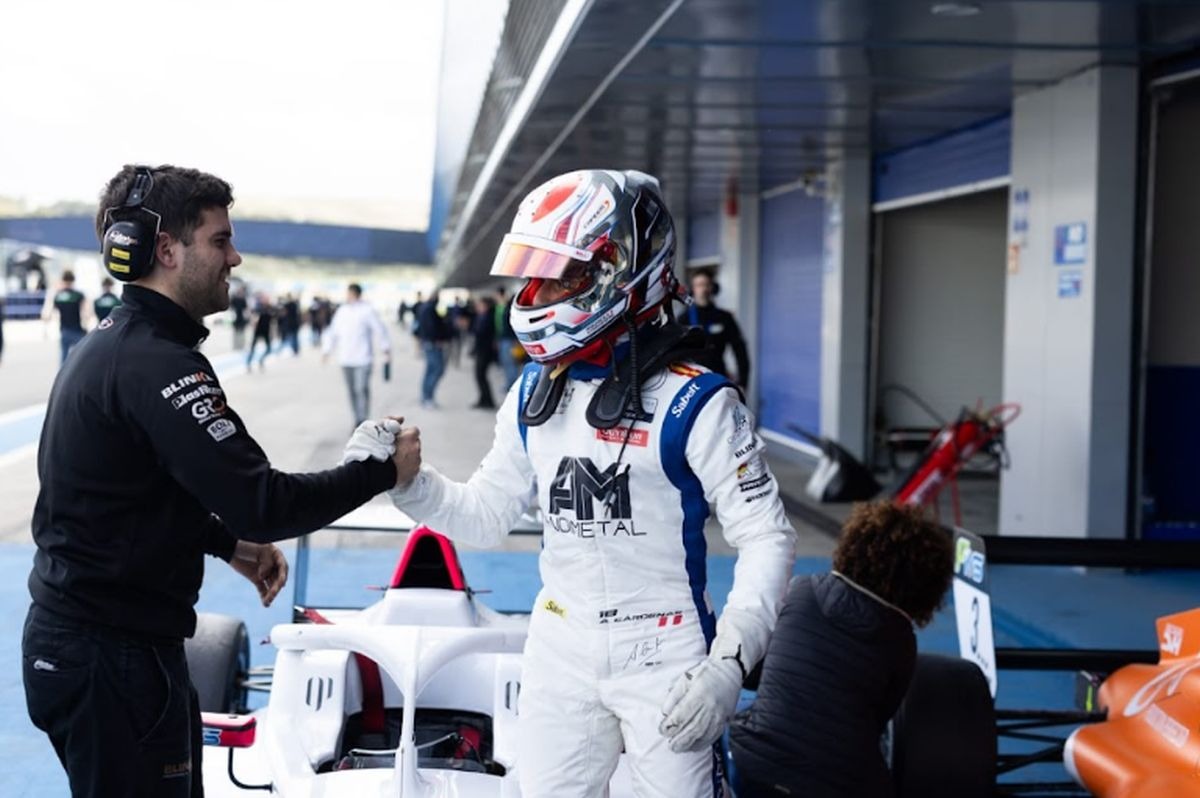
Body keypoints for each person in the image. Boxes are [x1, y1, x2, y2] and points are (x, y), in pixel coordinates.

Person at [358, 169, 796, 797]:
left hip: (665, 649)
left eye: (560, 274)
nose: (537, 292)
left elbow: (767, 537)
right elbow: (485, 516)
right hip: (560, 639)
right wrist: (408, 484)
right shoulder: (531, 392)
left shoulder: (699, 401)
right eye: (533, 273)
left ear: (619, 270)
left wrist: (730, 661)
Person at [22, 163, 407, 798]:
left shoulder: (115, 345)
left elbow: (124, 493)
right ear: (166, 250)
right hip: (112, 656)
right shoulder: (156, 364)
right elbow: (264, 503)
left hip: (99, 645)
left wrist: (227, 544)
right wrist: (382, 471)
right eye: (220, 240)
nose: (235, 257)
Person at [729, 501, 954, 798]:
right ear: (925, 586)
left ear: (854, 547)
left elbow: (755, 673)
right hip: (838, 787)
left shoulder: (802, 590)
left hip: (755, 771)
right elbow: (878, 723)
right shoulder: (901, 642)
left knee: (741, 710)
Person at [323, 282, 391, 427]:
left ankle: (363, 419)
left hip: (363, 359)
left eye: (349, 293)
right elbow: (333, 332)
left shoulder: (367, 310)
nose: (347, 296)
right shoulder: (342, 311)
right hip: (345, 358)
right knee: (352, 391)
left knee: (361, 389)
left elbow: (380, 330)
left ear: (356, 294)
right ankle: (356, 418)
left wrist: (385, 349)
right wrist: (327, 350)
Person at [676, 268, 750, 389]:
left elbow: (740, 350)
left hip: (718, 376)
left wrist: (743, 382)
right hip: (692, 380)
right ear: (692, 289)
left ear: (713, 288)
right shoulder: (684, 319)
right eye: (699, 285)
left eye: (707, 284)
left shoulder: (725, 317)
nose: (703, 289)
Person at [43, 269, 90, 366]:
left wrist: (45, 330)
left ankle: (63, 375)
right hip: (78, 330)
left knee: (64, 358)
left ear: (62, 280)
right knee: (79, 359)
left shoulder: (58, 295)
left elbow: (47, 314)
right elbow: (86, 314)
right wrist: (86, 326)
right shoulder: (79, 295)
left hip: (64, 330)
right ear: (73, 280)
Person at [415, 290, 450, 408]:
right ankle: (428, 397)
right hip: (433, 344)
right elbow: (431, 326)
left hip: (428, 343)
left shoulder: (424, 307)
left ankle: (425, 396)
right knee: (437, 370)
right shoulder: (430, 309)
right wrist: (438, 339)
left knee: (430, 370)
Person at [470, 294, 498, 409]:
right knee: (480, 376)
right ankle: (484, 399)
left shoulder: (487, 317)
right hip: (482, 350)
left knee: (481, 376)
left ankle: (487, 400)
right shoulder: (482, 316)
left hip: (485, 351)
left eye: (480, 304)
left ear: (485, 305)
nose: (477, 306)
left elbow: (480, 333)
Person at [494, 285, 521, 387]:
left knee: (510, 362)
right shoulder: (500, 307)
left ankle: (512, 384)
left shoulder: (509, 307)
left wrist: (515, 339)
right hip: (502, 338)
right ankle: (509, 383)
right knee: (505, 361)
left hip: (509, 339)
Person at [245, 292, 274, 371]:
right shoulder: (258, 308)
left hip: (266, 331)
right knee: (253, 348)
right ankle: (248, 363)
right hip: (258, 330)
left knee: (269, 349)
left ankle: (261, 360)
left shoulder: (270, 308)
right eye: (264, 299)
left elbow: (274, 318)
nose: (266, 300)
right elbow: (252, 316)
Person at [229, 284, 249, 349]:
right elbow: (231, 307)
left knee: (241, 332)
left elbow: (245, 309)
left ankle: (241, 345)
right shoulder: (234, 298)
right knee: (236, 332)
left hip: (241, 318)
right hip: (236, 317)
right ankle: (236, 345)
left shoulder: (243, 299)